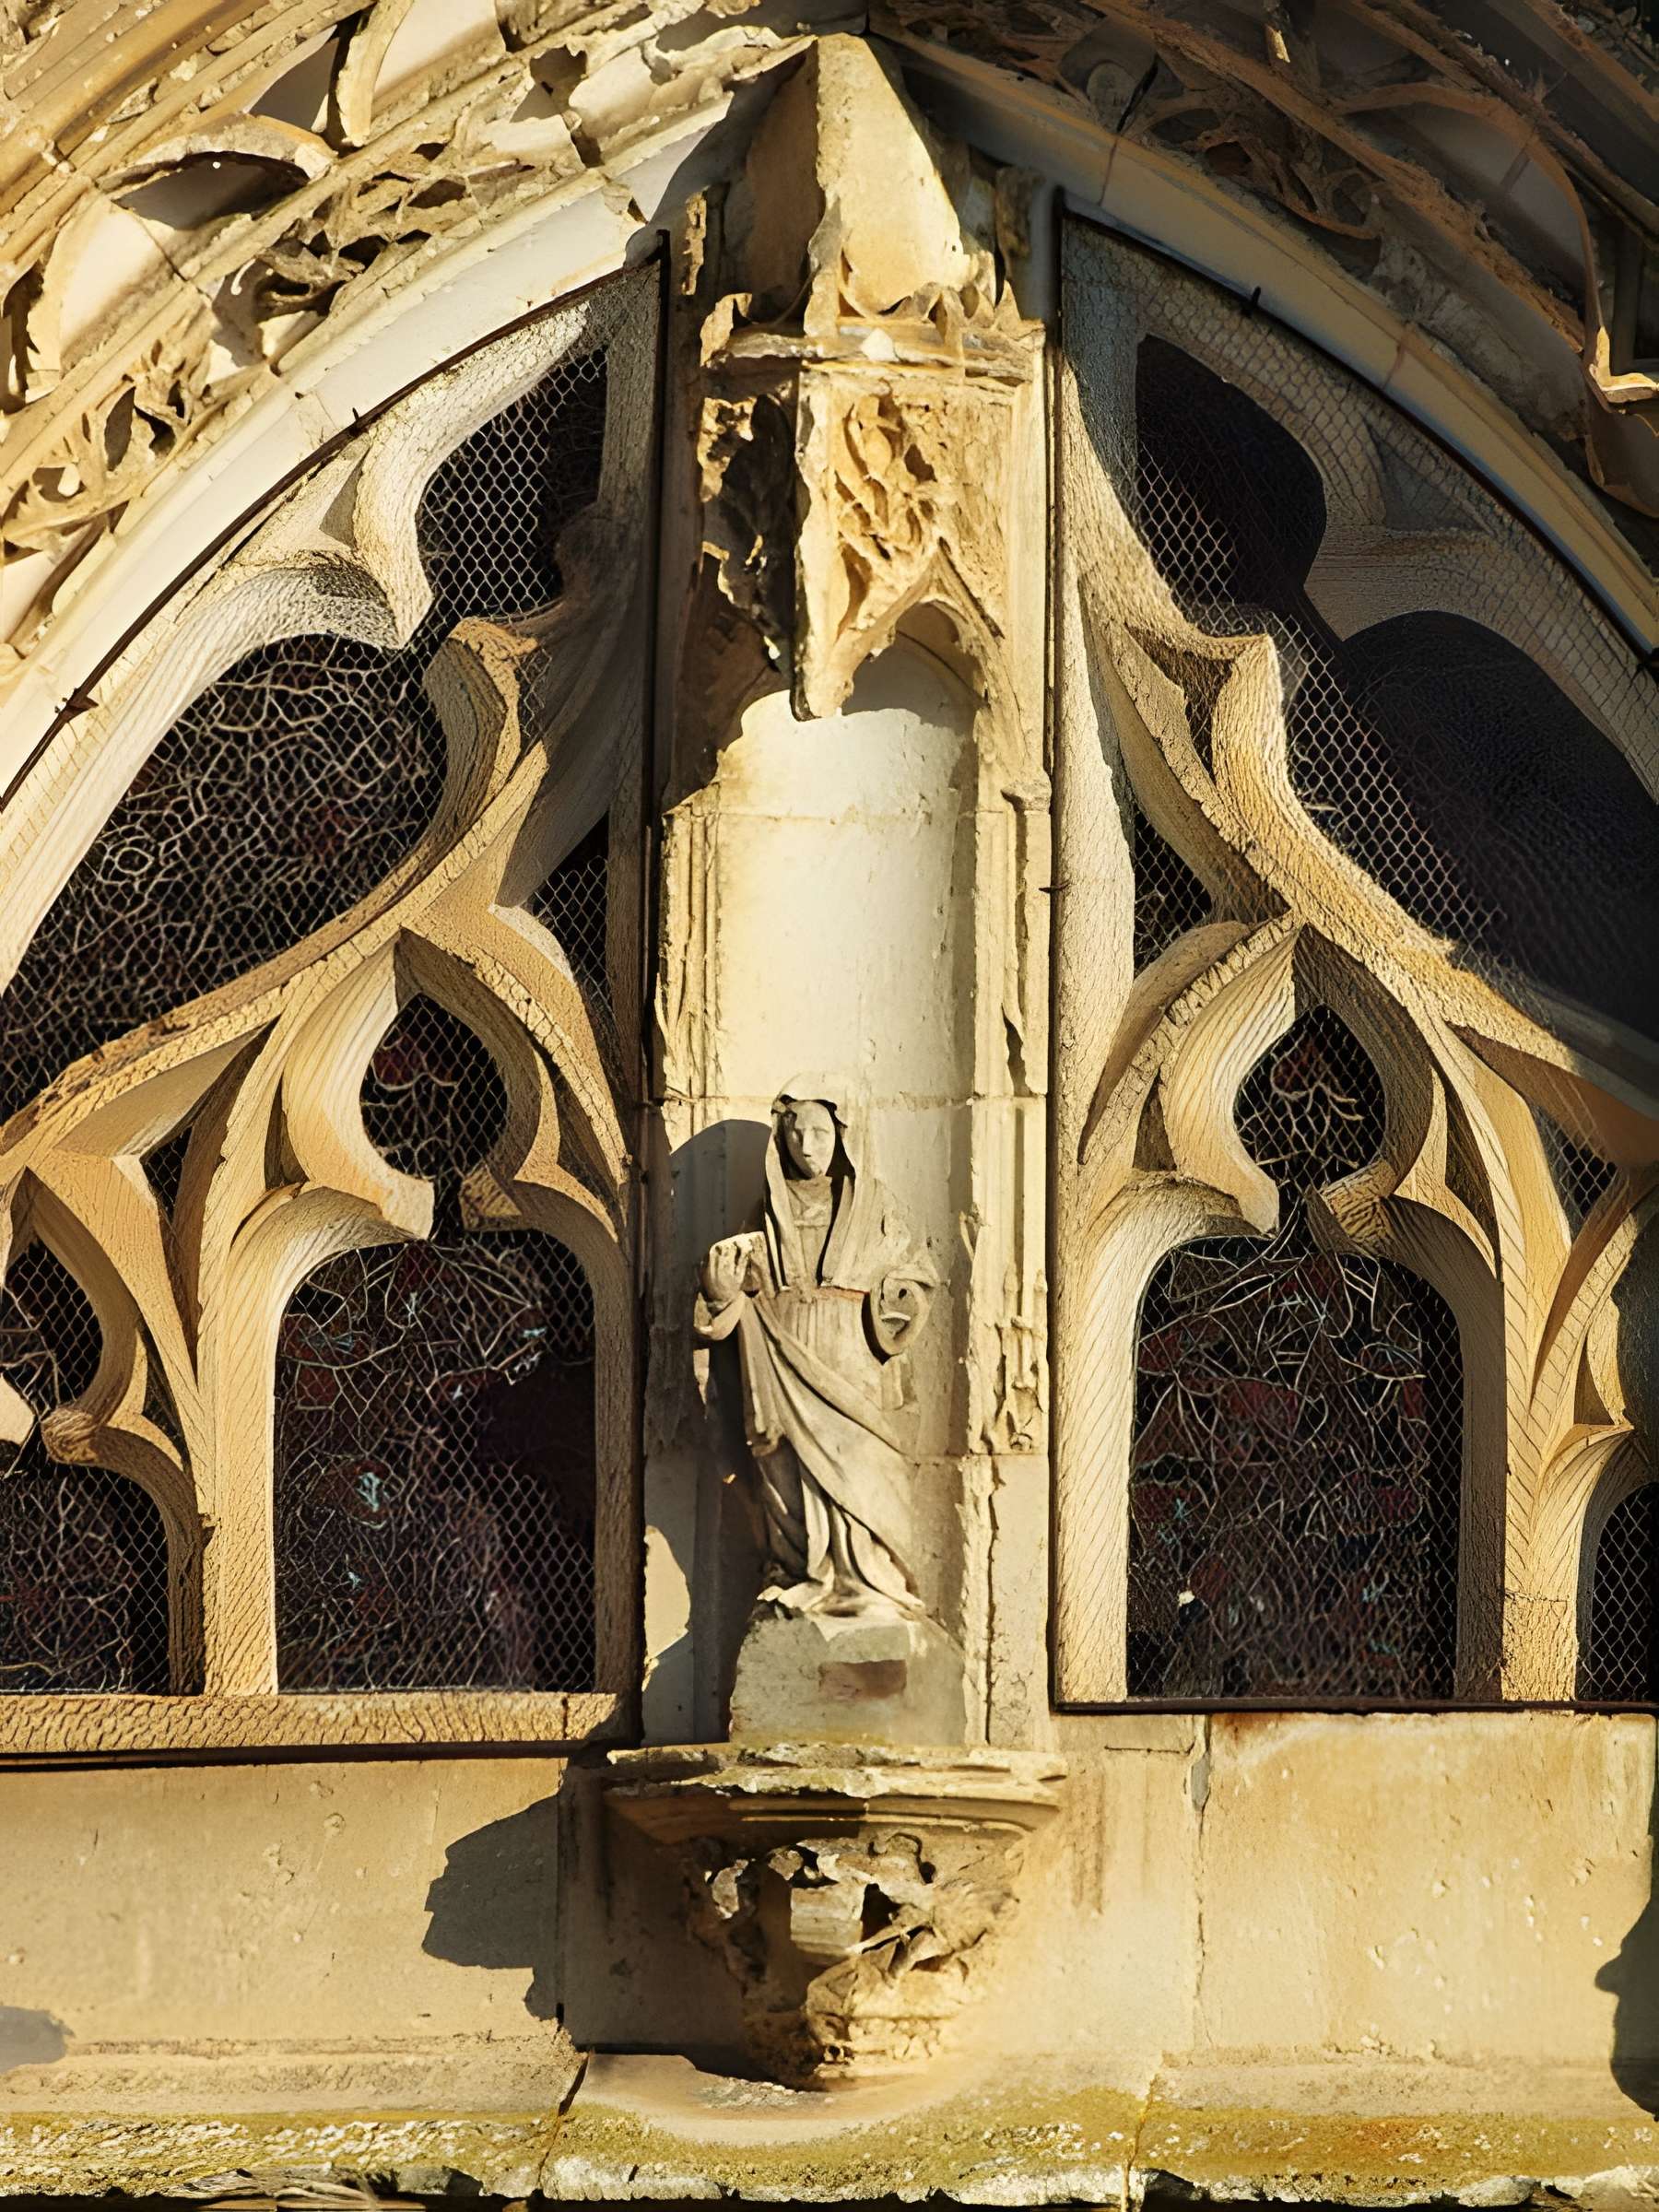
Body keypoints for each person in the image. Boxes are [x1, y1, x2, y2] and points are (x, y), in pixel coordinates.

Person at [695, 1083, 937, 1619]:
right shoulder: (760, 1217)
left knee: (863, 1471)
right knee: (784, 1476)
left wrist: (897, 1297)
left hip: (853, 1360)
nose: (809, 1146)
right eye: (797, 1133)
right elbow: (728, 1301)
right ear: (780, 1141)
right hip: (777, 1361)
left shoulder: (878, 1211)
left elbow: (917, 1276)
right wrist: (720, 1294)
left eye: (821, 1133)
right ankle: (804, 1574)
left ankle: (869, 1586)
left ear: (841, 1138)